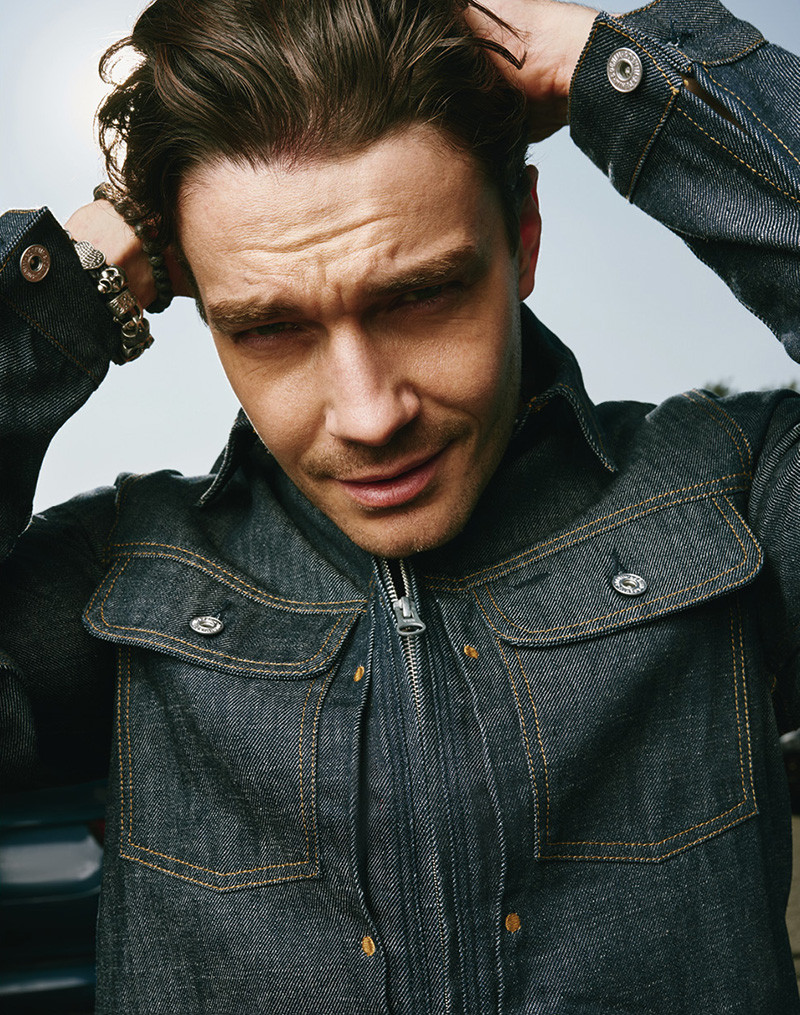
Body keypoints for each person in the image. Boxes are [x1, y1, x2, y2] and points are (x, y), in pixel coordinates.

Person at [1, 0, 799, 1011]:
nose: (369, 415)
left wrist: (617, 74)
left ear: (522, 237)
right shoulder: (120, 573)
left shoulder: (735, 488)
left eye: (419, 296)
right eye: (269, 328)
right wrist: (61, 285)